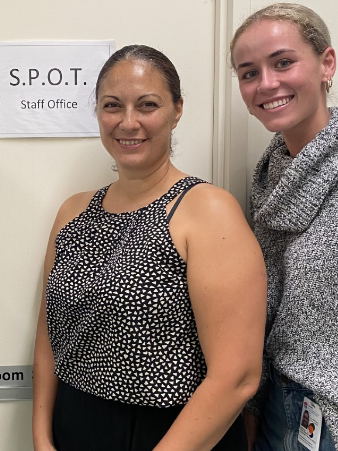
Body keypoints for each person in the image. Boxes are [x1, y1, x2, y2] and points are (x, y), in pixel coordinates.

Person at [32, 45, 267, 451]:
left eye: (147, 105)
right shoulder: (72, 212)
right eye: (112, 105)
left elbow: (238, 376)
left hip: (176, 434)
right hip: (75, 426)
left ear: (177, 110)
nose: (128, 122)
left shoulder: (207, 210)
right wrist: (41, 436)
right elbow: (48, 338)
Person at [230, 4, 338, 451]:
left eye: (283, 62)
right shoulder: (268, 179)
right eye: (248, 73)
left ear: (327, 64)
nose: (266, 84)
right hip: (274, 412)